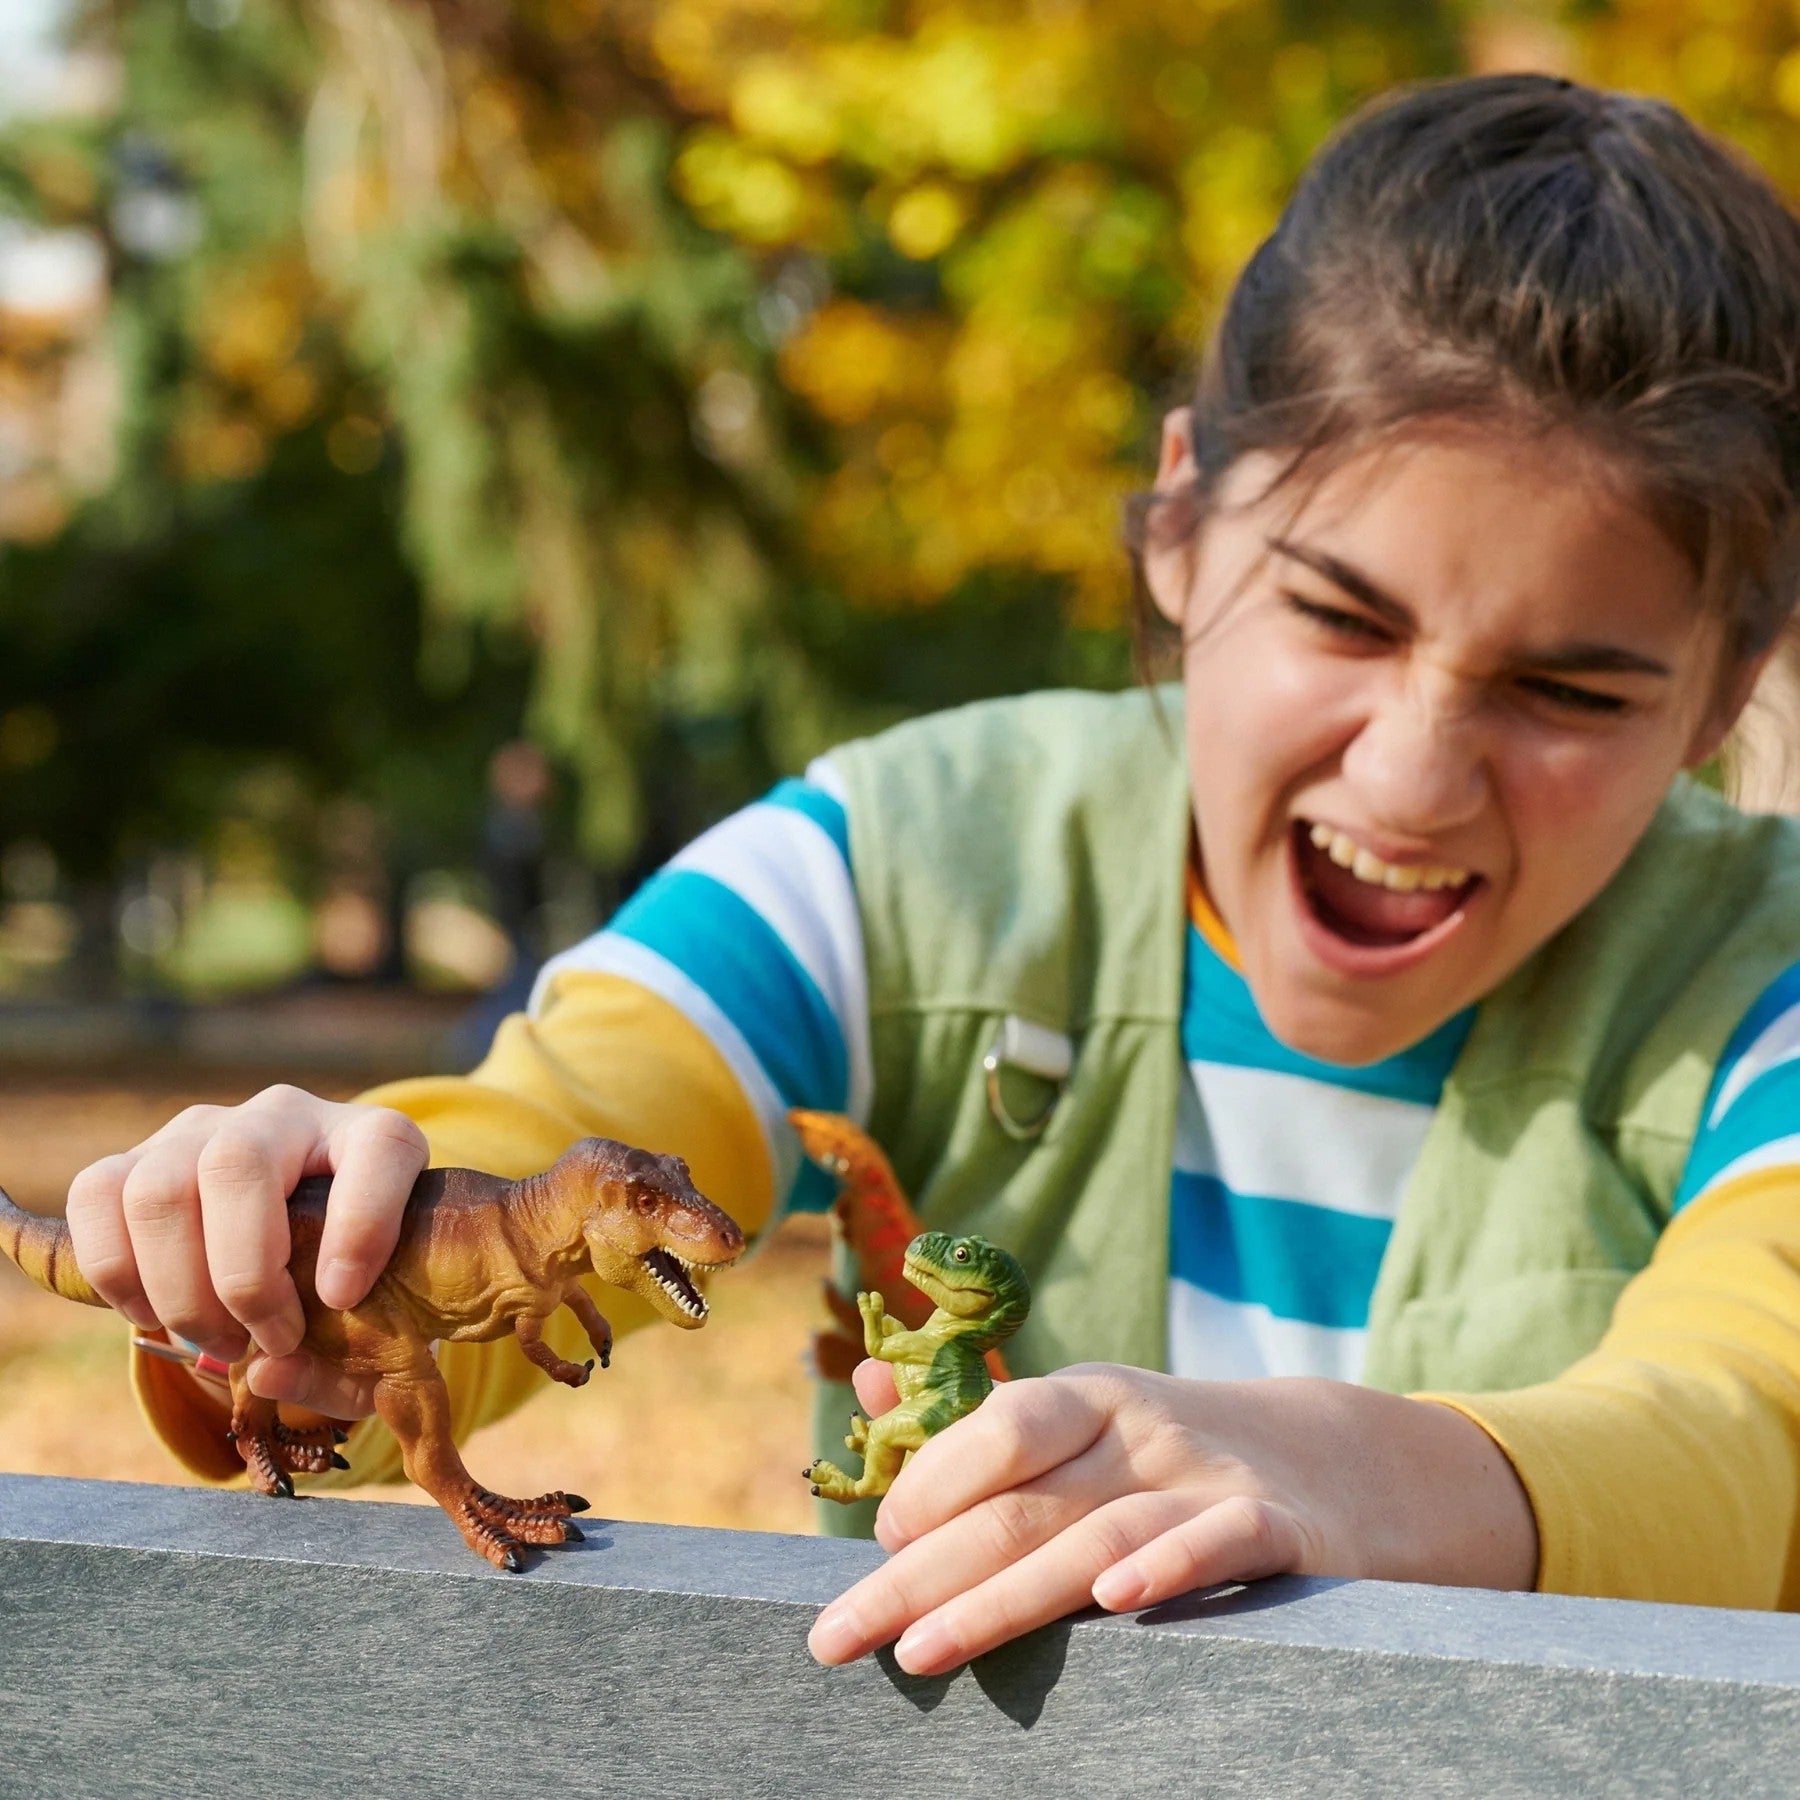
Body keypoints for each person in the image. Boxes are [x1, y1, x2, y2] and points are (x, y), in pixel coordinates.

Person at [63, 74, 1800, 1675]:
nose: (1415, 775)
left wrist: (1340, 1470)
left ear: (1727, 689)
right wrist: (285, 1274)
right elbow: (566, 1135)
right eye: (1342, 615)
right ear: (1183, 524)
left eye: (1569, 690)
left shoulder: (1764, 984)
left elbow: (1748, 1438)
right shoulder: (896, 857)